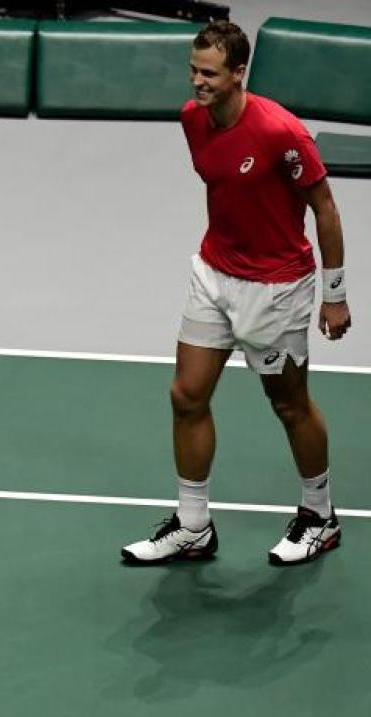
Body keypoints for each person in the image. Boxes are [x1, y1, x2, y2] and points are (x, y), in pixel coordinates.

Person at [121, 21, 352, 566]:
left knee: (288, 404)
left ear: (239, 73)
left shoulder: (280, 133)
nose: (197, 82)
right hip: (214, 274)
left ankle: (319, 516)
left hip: (275, 289)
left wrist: (334, 294)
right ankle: (194, 525)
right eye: (193, 70)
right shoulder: (192, 121)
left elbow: (325, 207)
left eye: (209, 73)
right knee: (186, 395)